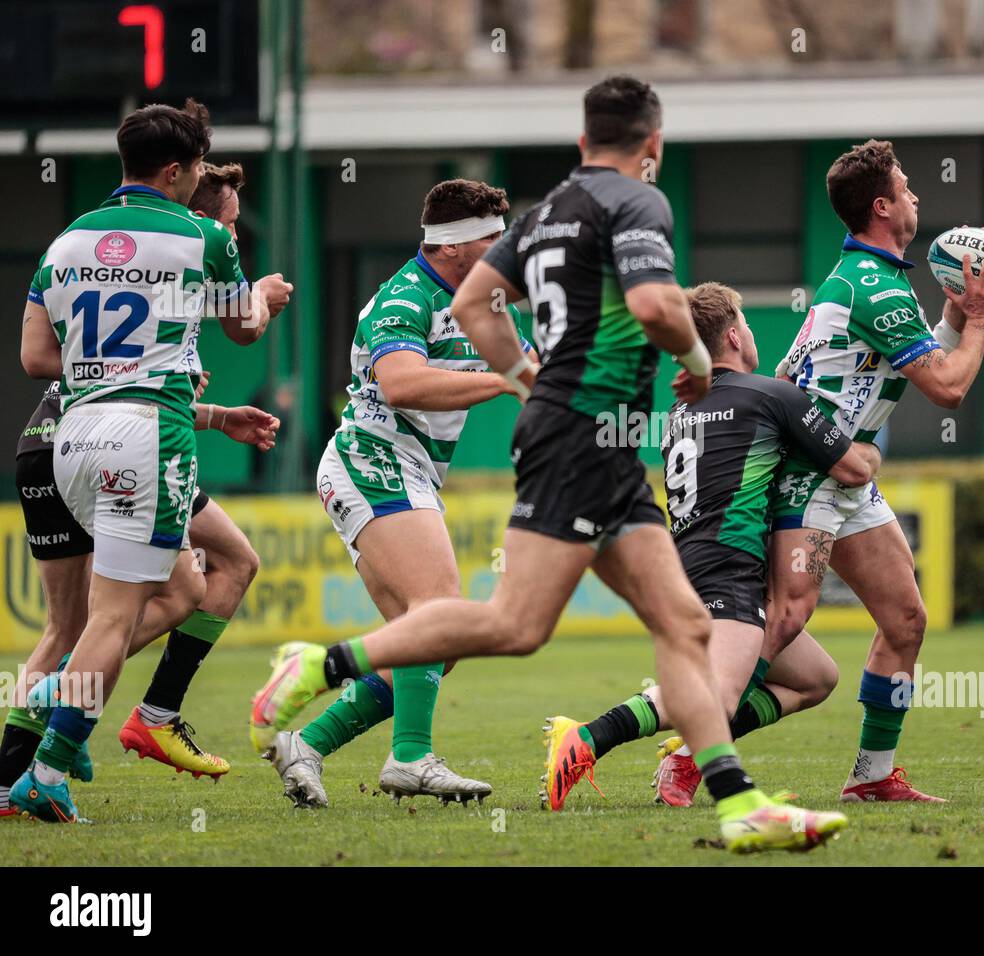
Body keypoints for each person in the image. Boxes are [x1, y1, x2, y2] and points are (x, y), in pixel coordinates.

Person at [251, 76, 847, 852]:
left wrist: (531, 381)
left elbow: (473, 310)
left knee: (684, 623)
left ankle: (739, 804)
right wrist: (699, 362)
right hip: (580, 438)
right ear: (653, 144)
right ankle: (322, 664)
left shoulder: (545, 214)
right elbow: (656, 307)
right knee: (513, 624)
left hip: (586, 437)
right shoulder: (639, 200)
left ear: (579, 143)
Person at [11, 99, 291, 823]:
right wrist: (260, 294)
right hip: (147, 435)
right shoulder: (203, 235)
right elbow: (242, 331)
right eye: (196, 167)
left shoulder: (66, 242)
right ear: (176, 171)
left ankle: (49, 742)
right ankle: (47, 745)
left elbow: (36, 357)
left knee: (154, 597)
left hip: (70, 436)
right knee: (116, 618)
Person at [547, 282, 879, 807]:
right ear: (732, 334)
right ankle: (589, 735)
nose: (750, 333)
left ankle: (686, 756)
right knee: (715, 698)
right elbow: (855, 470)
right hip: (729, 567)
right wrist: (870, 447)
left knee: (816, 678)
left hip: (691, 562)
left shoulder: (684, 409)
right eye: (745, 325)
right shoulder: (772, 395)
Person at [257, 180, 532, 807]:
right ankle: (411, 759)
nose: (504, 250)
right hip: (371, 460)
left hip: (407, 470)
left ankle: (308, 745)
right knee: (438, 606)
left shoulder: (490, 303)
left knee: (434, 643)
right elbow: (403, 383)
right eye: (494, 238)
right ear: (455, 246)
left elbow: (536, 375)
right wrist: (501, 379)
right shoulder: (405, 296)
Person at [766, 140, 984, 803]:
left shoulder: (864, 282)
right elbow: (949, 388)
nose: (916, 198)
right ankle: (683, 742)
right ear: (882, 207)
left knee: (904, 620)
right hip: (814, 478)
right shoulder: (874, 288)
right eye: (906, 190)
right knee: (786, 621)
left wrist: (957, 312)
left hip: (847, 479)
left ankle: (872, 778)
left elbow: (794, 375)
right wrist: (982, 320)